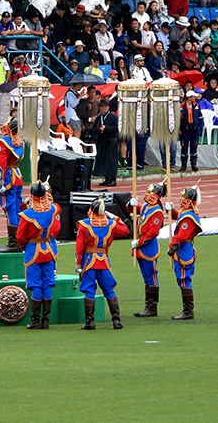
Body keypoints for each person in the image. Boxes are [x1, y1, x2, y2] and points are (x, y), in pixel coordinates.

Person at [75, 197, 130, 330]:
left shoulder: (84, 224)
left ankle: (90, 322)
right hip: (103, 260)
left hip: (88, 261)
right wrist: (115, 217)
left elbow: (79, 247)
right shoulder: (111, 224)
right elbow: (125, 230)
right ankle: (116, 320)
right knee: (109, 290)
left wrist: (78, 264)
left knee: (89, 291)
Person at [16, 181, 60, 329]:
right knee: (47, 284)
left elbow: (20, 237)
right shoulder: (53, 209)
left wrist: (26, 247)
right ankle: (46, 321)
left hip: (33, 250)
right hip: (48, 249)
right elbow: (56, 227)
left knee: (36, 285)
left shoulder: (27, 214)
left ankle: (35, 321)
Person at [128, 182, 176, 318]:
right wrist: (130, 204)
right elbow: (134, 209)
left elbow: (152, 233)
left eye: (149, 192)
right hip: (140, 246)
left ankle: (152, 307)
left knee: (151, 277)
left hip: (147, 247)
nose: (147, 194)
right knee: (145, 277)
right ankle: (148, 306)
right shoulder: (146, 207)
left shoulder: (157, 212)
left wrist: (139, 242)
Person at [167, 185, 203, 320]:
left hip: (184, 250)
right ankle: (187, 311)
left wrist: (172, 248)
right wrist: (171, 211)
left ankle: (188, 311)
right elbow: (179, 216)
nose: (181, 199)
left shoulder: (189, 215)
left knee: (184, 279)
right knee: (181, 279)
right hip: (183, 248)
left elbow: (181, 236)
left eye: (184, 197)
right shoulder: (186, 211)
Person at [0, 119, 24, 254]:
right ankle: (19, 239)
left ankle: (13, 242)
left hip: (8, 178)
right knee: (17, 208)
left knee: (9, 209)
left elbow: (1, 164)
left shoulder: (3, 142)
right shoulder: (20, 140)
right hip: (17, 175)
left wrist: (0, 182)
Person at [92, 98, 118, 187]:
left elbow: (116, 128)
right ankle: (106, 178)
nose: (104, 108)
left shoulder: (114, 117)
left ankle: (113, 178)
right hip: (102, 140)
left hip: (111, 140)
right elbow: (93, 129)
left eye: (106, 106)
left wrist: (106, 128)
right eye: (102, 106)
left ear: (109, 107)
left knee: (111, 160)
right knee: (103, 160)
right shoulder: (99, 117)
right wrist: (98, 129)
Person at [180, 90, 203, 172]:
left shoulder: (196, 106)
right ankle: (183, 165)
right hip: (185, 130)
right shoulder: (181, 106)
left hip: (194, 130)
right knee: (184, 147)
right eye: (193, 96)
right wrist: (179, 129)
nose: (195, 97)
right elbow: (178, 119)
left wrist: (199, 128)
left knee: (194, 147)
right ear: (189, 97)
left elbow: (200, 118)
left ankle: (194, 165)